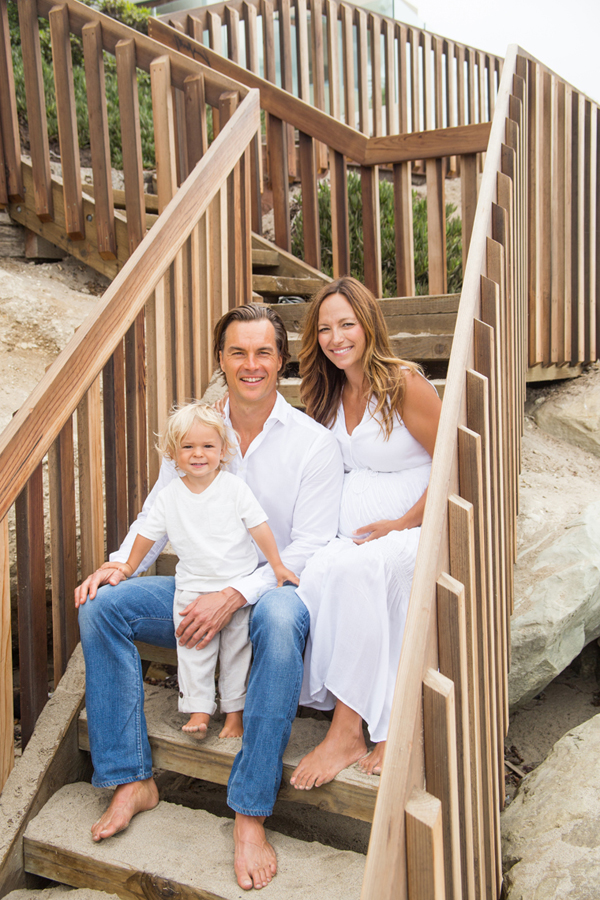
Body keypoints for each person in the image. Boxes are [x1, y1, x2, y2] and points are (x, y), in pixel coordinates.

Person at [74, 304, 343, 891]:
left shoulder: (313, 445)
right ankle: (131, 778)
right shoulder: (196, 428)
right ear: (220, 360)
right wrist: (121, 565)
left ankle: (249, 815)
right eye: (237, 352)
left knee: (274, 616)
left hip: (273, 593)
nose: (251, 365)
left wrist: (234, 593)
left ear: (282, 360)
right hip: (197, 587)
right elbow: (157, 513)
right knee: (101, 608)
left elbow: (308, 551)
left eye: (263, 352)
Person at [289, 276, 441, 790]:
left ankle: (349, 731)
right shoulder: (328, 392)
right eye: (325, 328)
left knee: (358, 570)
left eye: (346, 324)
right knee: (315, 573)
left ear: (369, 324)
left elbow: (456, 464)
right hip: (356, 533)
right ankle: (380, 716)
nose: (336, 338)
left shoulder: (403, 383)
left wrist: (401, 522)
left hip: (421, 527)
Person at [109, 402, 298, 741]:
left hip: (236, 587)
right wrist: (127, 566)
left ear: (223, 451)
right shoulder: (169, 496)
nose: (198, 454)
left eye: (208, 446)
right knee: (193, 650)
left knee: (236, 653)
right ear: (173, 453)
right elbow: (147, 534)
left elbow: (260, 528)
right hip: (192, 588)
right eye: (188, 447)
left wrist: (278, 566)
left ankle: (234, 714)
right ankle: (198, 710)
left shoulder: (234, 489)